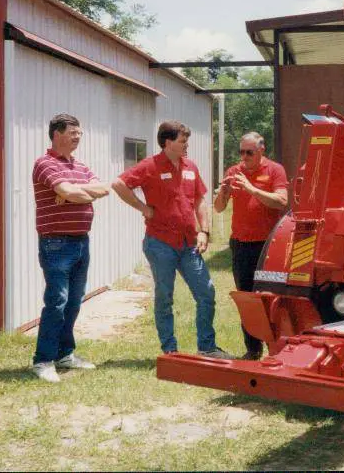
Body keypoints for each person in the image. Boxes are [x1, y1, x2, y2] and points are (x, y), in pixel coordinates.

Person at [112, 120, 233, 358]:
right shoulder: (150, 165)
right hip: (160, 244)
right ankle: (170, 350)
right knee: (165, 297)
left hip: (189, 244)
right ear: (167, 143)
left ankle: (207, 347)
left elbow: (199, 201)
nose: (187, 145)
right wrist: (144, 208)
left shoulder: (191, 167)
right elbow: (119, 184)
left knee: (206, 293)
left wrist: (204, 231)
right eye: (182, 141)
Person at [31, 113, 110, 383]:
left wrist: (69, 192)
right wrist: (73, 193)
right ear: (57, 134)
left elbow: (103, 188)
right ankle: (43, 361)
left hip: (80, 242)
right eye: (73, 132)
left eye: (79, 133)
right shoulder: (44, 163)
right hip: (56, 243)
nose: (78, 137)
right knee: (57, 302)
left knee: (74, 301)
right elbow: (80, 193)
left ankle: (65, 354)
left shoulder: (80, 165)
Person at [214, 132, 289, 360]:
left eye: (249, 152)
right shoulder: (233, 172)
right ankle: (253, 349)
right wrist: (223, 193)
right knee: (247, 298)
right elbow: (218, 208)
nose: (244, 157)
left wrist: (252, 189)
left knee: (270, 298)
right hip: (241, 245)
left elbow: (282, 201)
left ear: (261, 151)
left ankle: (277, 350)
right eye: (241, 152)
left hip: (268, 246)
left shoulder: (275, 170)